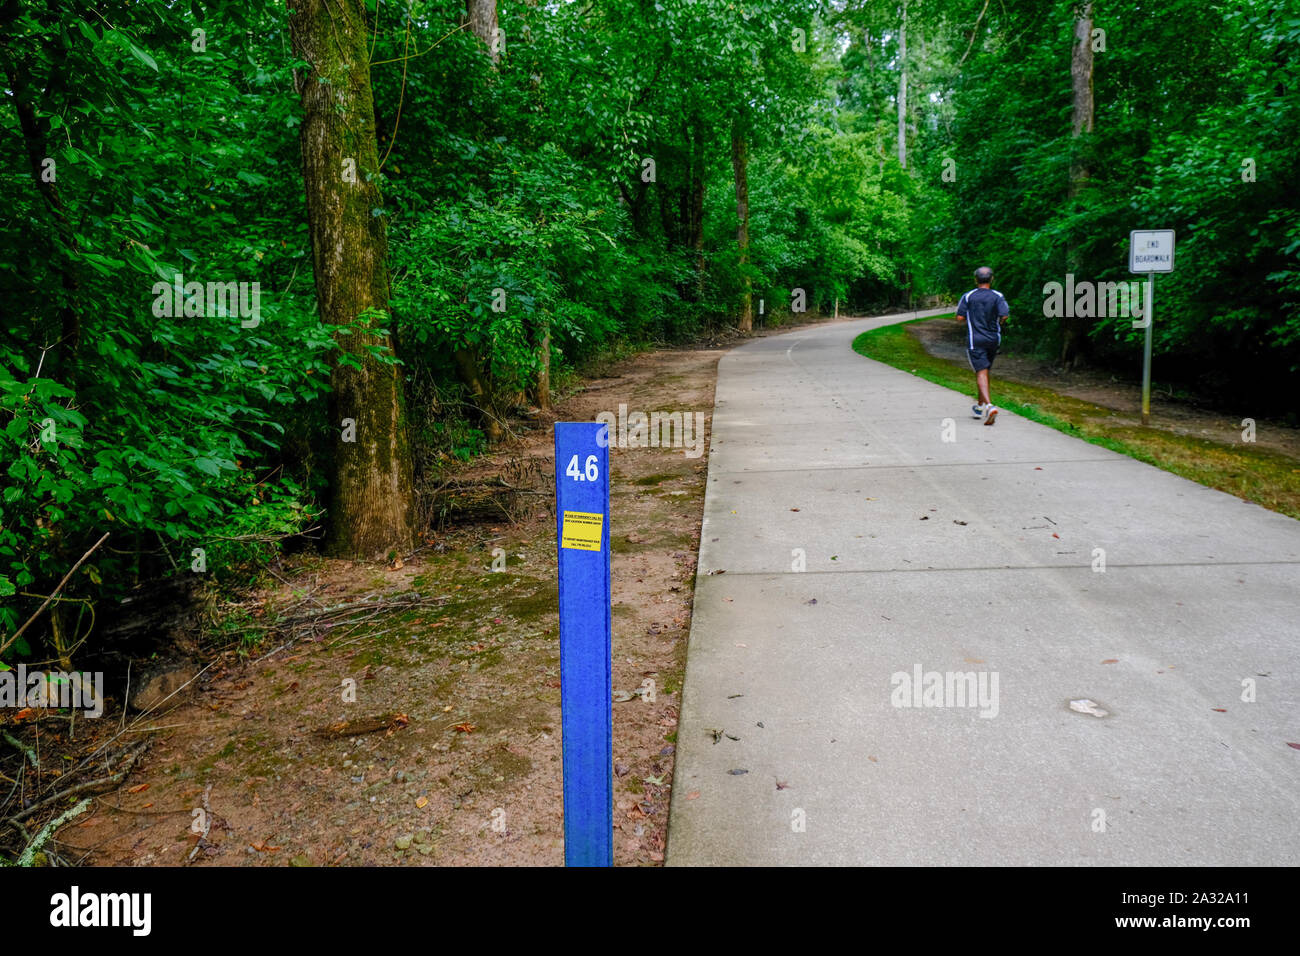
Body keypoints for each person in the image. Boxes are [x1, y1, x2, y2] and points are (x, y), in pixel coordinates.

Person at [955, 266, 1009, 425]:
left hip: (975, 339)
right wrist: (997, 322)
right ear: (992, 279)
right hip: (993, 339)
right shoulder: (998, 296)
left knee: (981, 372)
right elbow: (1004, 315)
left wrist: (971, 318)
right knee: (984, 372)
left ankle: (990, 406)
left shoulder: (968, 296)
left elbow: (959, 317)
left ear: (975, 279)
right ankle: (979, 406)